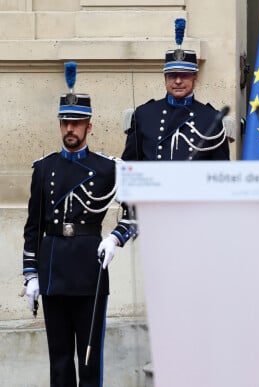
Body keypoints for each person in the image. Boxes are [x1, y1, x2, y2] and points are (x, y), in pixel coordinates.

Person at [22, 62, 136, 386]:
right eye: (65, 122)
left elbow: (136, 212)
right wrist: (31, 275)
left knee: (89, 362)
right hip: (53, 272)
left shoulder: (109, 169)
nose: (70, 128)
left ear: (89, 125)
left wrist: (115, 238)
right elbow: (33, 227)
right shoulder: (44, 169)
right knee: (58, 362)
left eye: (77, 122)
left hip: (90, 272)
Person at [122, 18, 230, 161]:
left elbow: (220, 171)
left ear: (195, 77)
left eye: (184, 76)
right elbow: (129, 165)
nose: (178, 81)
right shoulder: (144, 114)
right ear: (165, 78)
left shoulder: (211, 118)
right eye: (172, 76)